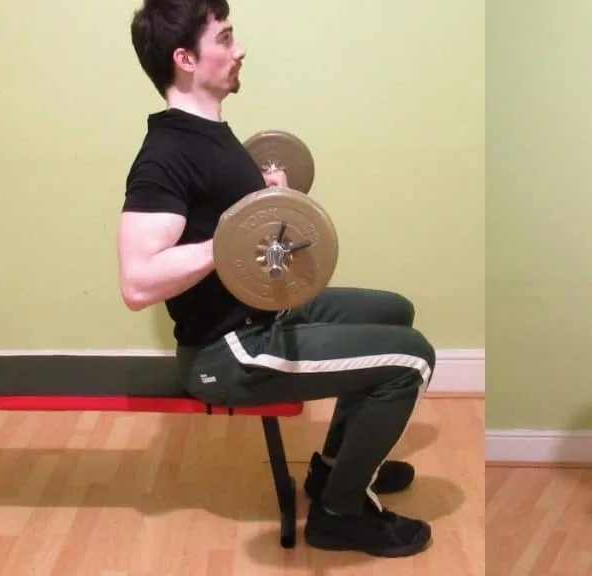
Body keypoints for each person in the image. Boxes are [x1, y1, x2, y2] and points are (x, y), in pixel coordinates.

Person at [118, 0, 436, 558]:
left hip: (263, 315)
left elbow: (249, 235)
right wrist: (232, 233)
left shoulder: (210, 134)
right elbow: (138, 282)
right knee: (411, 357)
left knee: (394, 312)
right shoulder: (165, 154)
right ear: (186, 58)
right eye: (226, 38)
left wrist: (273, 200)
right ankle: (340, 514)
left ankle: (335, 470)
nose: (239, 49)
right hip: (226, 351)